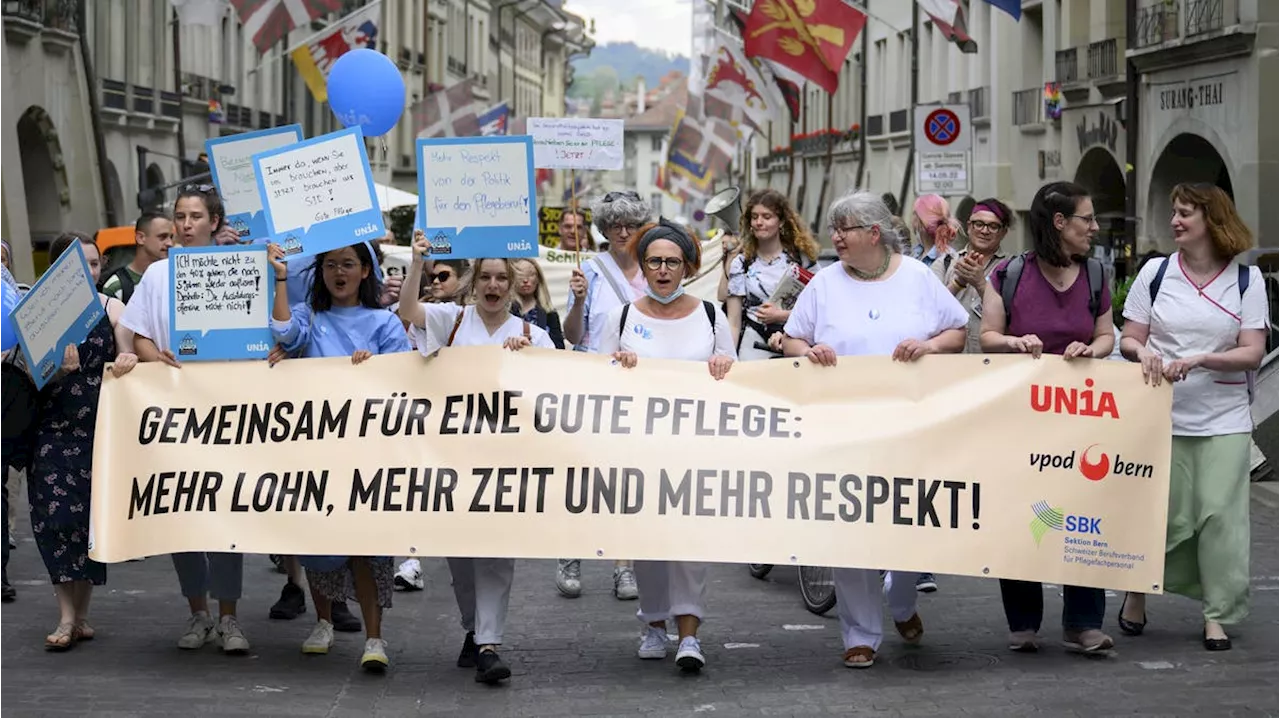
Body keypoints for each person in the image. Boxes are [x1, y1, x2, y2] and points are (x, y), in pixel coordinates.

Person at [780, 190, 967, 668]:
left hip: (911, 428)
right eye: (834, 228)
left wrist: (931, 348)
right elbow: (793, 340)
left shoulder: (918, 277)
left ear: (874, 234)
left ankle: (902, 599)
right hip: (843, 430)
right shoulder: (824, 284)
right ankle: (860, 634)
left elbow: (957, 331)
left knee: (913, 527)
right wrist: (808, 353)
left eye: (844, 229)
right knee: (851, 532)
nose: (835, 237)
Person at [398, 230, 555, 684]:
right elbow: (409, 311)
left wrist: (531, 363)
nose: (493, 285)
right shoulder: (451, 320)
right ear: (473, 282)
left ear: (512, 284)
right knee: (461, 562)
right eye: (485, 277)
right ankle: (473, 628)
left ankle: (489, 644)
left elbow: (558, 391)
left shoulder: (532, 334)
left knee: (495, 558)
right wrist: (415, 263)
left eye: (501, 278)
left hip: (505, 466)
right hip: (453, 462)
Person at [1117, 183, 1266, 652]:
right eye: (1174, 212)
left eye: (1185, 214)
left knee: (1220, 519)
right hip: (1161, 415)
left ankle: (1216, 615)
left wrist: (1202, 359)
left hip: (1224, 417)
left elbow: (1253, 352)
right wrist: (1143, 354)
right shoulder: (1156, 273)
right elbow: (1129, 337)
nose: (1175, 221)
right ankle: (1137, 592)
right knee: (1164, 517)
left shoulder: (1247, 281)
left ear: (1212, 221)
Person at [979, 180, 1116, 655]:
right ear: (1060, 223)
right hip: (1021, 418)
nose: (1094, 228)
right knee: (1024, 513)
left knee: (1082, 515)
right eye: (1088, 219)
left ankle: (1083, 622)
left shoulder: (1097, 274)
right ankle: (1023, 620)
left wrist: (1091, 349)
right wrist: (1016, 342)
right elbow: (988, 336)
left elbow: (1106, 337)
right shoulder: (1010, 274)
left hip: (1079, 418)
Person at [118, 184, 254, 654]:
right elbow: (138, 336)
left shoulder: (239, 267)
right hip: (175, 413)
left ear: (214, 222)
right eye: (180, 216)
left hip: (226, 410)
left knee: (226, 514)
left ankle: (230, 616)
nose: (186, 224)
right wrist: (158, 358)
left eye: (195, 215)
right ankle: (198, 613)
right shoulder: (156, 276)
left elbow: (256, 339)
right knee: (183, 511)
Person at [599, 218, 735, 673]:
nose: (662, 270)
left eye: (671, 262)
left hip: (697, 451)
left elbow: (737, 381)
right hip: (639, 452)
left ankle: (689, 634)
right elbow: (596, 379)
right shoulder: (622, 317)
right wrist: (618, 365)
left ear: (687, 267)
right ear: (642, 266)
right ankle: (654, 624)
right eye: (654, 261)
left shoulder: (711, 316)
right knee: (649, 544)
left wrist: (722, 366)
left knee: (691, 545)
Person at [267, 239, 409, 671]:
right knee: (317, 541)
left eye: (348, 264)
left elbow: (403, 377)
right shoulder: (310, 317)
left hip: (369, 456)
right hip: (318, 454)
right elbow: (286, 334)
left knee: (367, 546)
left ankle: (374, 638)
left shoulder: (385, 322)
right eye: (330, 265)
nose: (338, 272)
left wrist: (376, 367)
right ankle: (323, 622)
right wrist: (280, 278)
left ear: (366, 271)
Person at [27, 232, 138, 650]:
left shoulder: (112, 308)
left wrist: (127, 356)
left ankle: (83, 613)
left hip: (101, 431)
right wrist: (56, 371)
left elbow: (129, 349)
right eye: (81, 264)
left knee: (88, 523)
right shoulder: (40, 312)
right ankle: (66, 616)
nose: (90, 271)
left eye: (94, 263)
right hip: (52, 431)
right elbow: (30, 376)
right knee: (54, 521)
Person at [558, 190, 650, 600]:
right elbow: (572, 335)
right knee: (586, 475)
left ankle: (623, 565)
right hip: (594, 384)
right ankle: (571, 553)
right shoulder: (590, 272)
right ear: (605, 229)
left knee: (629, 478)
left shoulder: (655, 268)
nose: (623, 232)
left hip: (639, 387)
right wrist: (577, 301)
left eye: (630, 225)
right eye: (615, 225)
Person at [725, 189, 819, 360]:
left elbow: (819, 308)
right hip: (754, 340)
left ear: (781, 221)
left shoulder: (802, 259)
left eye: (766, 217)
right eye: (754, 217)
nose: (759, 222)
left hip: (797, 340)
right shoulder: (741, 263)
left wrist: (781, 316)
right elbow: (734, 321)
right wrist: (729, 357)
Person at [934, 198, 1015, 353]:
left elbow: (1015, 317)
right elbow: (930, 311)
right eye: (979, 224)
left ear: (1003, 232)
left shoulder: (1013, 268)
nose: (984, 231)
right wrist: (958, 283)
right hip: (949, 363)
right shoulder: (945, 262)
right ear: (969, 226)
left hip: (993, 365)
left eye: (993, 226)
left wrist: (981, 284)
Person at [100, 212, 175, 303]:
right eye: (162, 237)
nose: (170, 243)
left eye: (171, 237)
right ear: (140, 238)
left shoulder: (176, 280)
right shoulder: (116, 286)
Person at [512, 258, 565, 349]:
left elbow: (559, 349)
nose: (525, 280)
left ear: (538, 279)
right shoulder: (505, 311)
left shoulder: (550, 314)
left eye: (531, 274)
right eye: (520, 275)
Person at [910, 194, 961, 270]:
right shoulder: (914, 254)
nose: (912, 220)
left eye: (914, 214)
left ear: (921, 221)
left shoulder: (948, 260)